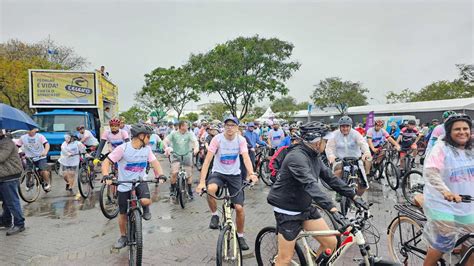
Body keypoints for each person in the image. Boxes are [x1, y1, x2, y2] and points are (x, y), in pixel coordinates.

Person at [267, 122, 368, 264]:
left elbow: (330, 178)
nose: (326, 144)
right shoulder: (296, 157)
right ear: (316, 141)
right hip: (287, 210)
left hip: (304, 204)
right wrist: (333, 209)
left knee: (331, 243)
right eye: (325, 141)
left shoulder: (314, 155)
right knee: (285, 259)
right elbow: (310, 185)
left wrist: (353, 195)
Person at [196, 116, 258, 251]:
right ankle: (214, 215)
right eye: (227, 125)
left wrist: (251, 173)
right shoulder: (217, 139)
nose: (230, 128)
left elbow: (246, 158)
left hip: (234, 175)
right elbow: (207, 161)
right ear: (224, 127)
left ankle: (240, 236)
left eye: (233, 125)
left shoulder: (240, 140)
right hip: (218, 173)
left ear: (237, 128)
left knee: (240, 208)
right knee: (211, 189)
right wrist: (201, 182)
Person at [102, 123, 166, 249]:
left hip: (140, 181)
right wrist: (106, 176)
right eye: (148, 137)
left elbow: (155, 163)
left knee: (146, 201)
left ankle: (146, 209)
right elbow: (106, 162)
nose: (150, 139)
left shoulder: (147, 149)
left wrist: (161, 174)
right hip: (124, 184)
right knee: (122, 213)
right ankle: (123, 236)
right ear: (141, 136)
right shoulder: (123, 149)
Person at [421, 114, 474, 266]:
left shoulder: (472, 148)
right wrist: (446, 192)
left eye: (465, 128)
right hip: (442, 202)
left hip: (466, 201)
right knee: (446, 238)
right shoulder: (441, 148)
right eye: (457, 129)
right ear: (449, 132)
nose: (462, 132)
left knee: (471, 241)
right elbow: (431, 172)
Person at [325, 116, 372, 195]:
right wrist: (331, 156)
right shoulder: (334, 135)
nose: (345, 128)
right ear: (339, 126)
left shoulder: (355, 134)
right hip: (340, 160)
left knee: (363, 184)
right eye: (343, 126)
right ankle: (339, 193)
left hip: (356, 160)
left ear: (350, 126)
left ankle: (357, 200)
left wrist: (366, 152)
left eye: (347, 126)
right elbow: (329, 147)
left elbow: (363, 143)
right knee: (338, 172)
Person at [164, 121, 198, 199]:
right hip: (175, 155)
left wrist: (196, 148)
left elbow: (195, 142)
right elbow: (165, 141)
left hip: (187, 155)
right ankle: (172, 189)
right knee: (174, 173)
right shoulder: (173, 134)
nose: (187, 127)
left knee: (189, 174)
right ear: (181, 126)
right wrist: (167, 148)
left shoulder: (190, 134)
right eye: (186, 126)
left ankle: (189, 190)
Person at [0, 129, 26, 235]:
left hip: (9, 175)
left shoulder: (7, 142)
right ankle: (5, 221)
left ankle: (19, 224)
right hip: (3, 175)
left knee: (11, 201)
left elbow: (1, 157)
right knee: (6, 200)